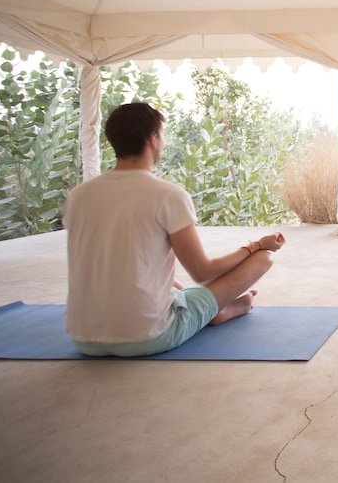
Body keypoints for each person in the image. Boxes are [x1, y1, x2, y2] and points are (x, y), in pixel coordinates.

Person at [63, 101, 284, 357]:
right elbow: (203, 272)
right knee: (262, 259)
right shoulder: (167, 195)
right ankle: (216, 311)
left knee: (165, 280)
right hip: (147, 336)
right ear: (152, 139)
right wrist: (256, 245)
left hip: (83, 338)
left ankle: (217, 310)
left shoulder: (79, 196)